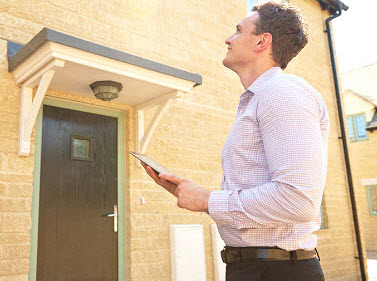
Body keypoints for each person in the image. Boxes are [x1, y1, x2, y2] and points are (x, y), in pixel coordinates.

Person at [140, 1, 329, 281]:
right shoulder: (260, 99)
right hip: (252, 266)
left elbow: (297, 200)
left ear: (262, 41)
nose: (228, 38)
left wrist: (207, 200)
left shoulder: (283, 93)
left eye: (238, 30)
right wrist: (191, 193)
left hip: (279, 271)